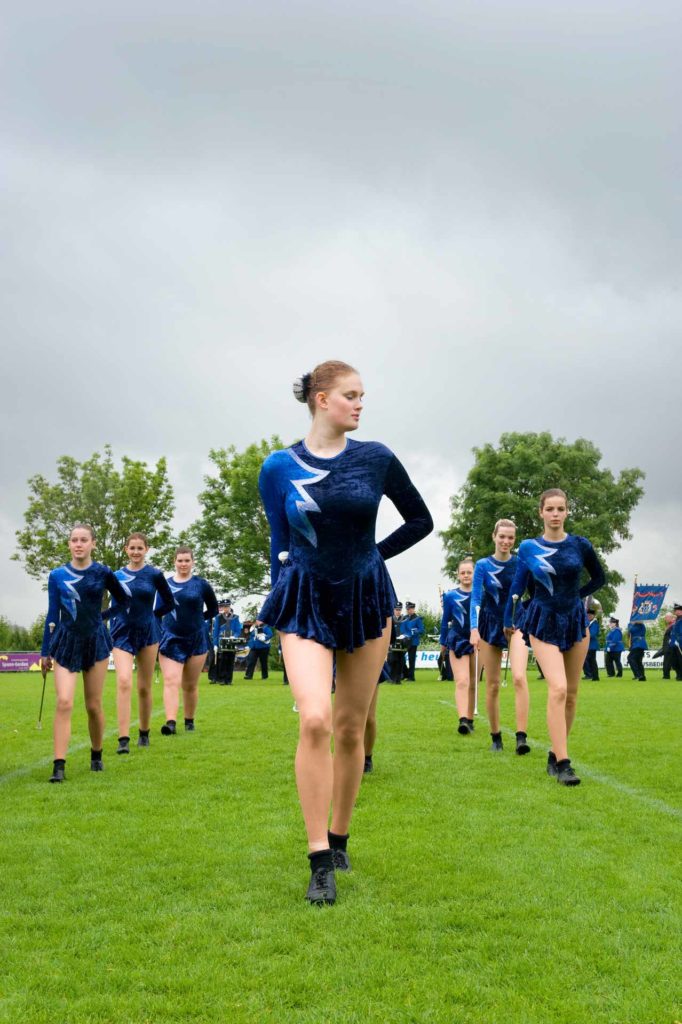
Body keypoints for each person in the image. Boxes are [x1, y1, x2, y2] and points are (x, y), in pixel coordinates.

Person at [258, 360, 433, 905]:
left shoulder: (376, 458)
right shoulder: (278, 467)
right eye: (351, 395)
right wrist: (277, 596)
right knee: (314, 719)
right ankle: (317, 861)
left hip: (365, 601)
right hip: (304, 600)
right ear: (320, 399)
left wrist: (369, 559)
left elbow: (420, 520)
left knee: (351, 728)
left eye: (362, 396)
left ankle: (339, 837)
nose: (360, 404)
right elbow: (278, 542)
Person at [504, 489, 605, 786]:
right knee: (558, 688)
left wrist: (578, 598)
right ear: (541, 512)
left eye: (561, 508)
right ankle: (564, 764)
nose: (556, 514)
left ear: (567, 512)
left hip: (575, 621)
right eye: (550, 509)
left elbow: (599, 578)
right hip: (543, 621)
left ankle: (553, 752)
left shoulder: (580, 545)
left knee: (572, 694)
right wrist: (510, 619)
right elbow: (519, 586)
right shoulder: (528, 547)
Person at [40, 524, 132, 783]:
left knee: (93, 705)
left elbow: (124, 600)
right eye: (74, 540)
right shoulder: (57, 575)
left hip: (96, 642)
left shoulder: (103, 572)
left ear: (93, 543)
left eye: (83, 540)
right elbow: (52, 614)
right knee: (64, 701)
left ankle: (96, 754)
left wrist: (102, 617)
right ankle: (59, 765)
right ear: (69, 544)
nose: (78, 544)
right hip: (66, 642)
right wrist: (45, 651)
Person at [108, 532, 175, 752]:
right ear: (125, 550)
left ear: (146, 549)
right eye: (132, 548)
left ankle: (144, 733)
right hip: (121, 633)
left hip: (148, 633)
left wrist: (153, 616)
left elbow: (170, 602)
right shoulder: (116, 575)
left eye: (140, 548)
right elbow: (114, 604)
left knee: (144, 688)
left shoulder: (155, 574)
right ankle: (123, 739)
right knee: (124, 681)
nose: (136, 552)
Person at [469, 519, 531, 754]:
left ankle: (521, 737)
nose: (506, 541)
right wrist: (474, 629)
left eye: (510, 538)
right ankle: (496, 736)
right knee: (493, 684)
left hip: (516, 623)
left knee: (518, 677)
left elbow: (533, 591)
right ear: (494, 536)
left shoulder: (520, 563)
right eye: (502, 536)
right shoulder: (483, 565)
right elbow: (475, 599)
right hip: (488, 624)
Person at [158, 546, 218, 734]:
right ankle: (171, 722)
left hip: (196, 639)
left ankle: (189, 720)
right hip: (170, 638)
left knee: (190, 685)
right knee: (170, 680)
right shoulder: (164, 585)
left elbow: (214, 609)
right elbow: (157, 611)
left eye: (187, 560)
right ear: (174, 562)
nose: (183, 564)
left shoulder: (201, 585)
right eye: (180, 560)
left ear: (192, 562)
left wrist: (198, 622)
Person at [441, 557, 476, 737]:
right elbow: (444, 620)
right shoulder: (450, 596)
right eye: (462, 572)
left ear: (474, 573)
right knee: (462, 681)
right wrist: (442, 642)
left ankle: (470, 718)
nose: (466, 575)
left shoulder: (481, 594)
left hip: (478, 640)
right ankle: (462, 719)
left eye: (469, 572)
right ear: (458, 575)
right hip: (457, 640)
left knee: (473, 683)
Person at [210, 599, 242, 685]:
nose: (225, 608)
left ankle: (229, 680)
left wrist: (234, 636)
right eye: (224, 606)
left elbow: (238, 630)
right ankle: (223, 679)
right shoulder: (218, 617)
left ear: (230, 606)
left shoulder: (235, 617)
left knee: (231, 661)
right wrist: (215, 644)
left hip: (231, 641)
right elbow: (216, 632)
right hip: (222, 641)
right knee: (223, 660)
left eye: (227, 606)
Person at [653, 612, 681, 680]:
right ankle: (676, 675)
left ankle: (672, 675)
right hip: (668, 646)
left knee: (673, 661)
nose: (665, 619)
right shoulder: (669, 625)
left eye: (666, 617)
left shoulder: (674, 624)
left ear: (671, 617)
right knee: (671, 662)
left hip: (672, 646)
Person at [387, 603, 406, 684]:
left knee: (400, 661)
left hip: (402, 643)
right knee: (392, 661)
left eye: (399, 610)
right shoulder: (391, 619)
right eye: (396, 610)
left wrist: (404, 636)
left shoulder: (405, 619)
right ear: (394, 610)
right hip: (393, 642)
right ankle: (391, 678)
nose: (398, 611)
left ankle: (398, 679)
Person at [582, 608, 601, 681]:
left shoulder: (594, 623)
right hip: (588, 645)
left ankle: (593, 676)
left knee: (591, 661)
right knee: (589, 661)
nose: (589, 616)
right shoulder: (589, 623)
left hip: (591, 645)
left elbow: (592, 634)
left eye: (590, 615)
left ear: (593, 615)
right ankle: (591, 675)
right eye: (588, 615)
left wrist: (583, 635)